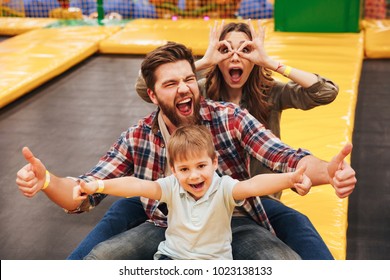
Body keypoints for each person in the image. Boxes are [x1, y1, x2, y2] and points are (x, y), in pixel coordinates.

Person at [16, 41, 356, 260]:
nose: (184, 89)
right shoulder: (139, 136)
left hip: (234, 221)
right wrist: (47, 181)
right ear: (152, 95)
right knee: (102, 256)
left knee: (281, 261)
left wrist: (328, 172)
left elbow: (284, 158)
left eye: (189, 79)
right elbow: (85, 191)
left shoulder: (229, 117)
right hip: (165, 225)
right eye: (171, 84)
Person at [135, 20, 340, 259]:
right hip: (206, 194)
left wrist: (269, 62)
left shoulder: (270, 92)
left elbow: (326, 92)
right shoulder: (200, 91)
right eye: (226, 50)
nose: (234, 57)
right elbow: (146, 88)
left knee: (297, 224)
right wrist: (201, 63)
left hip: (257, 195)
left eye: (245, 50)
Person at [74, 125, 312, 260]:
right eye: (184, 169)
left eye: (201, 166)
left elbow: (255, 185)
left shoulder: (224, 188)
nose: (194, 176)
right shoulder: (171, 187)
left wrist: (289, 178)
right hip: (172, 259)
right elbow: (136, 185)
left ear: (214, 162)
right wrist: (100, 186)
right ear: (174, 170)